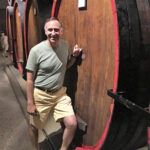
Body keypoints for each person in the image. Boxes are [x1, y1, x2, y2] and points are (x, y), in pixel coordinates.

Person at [26, 17, 82, 150]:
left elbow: (65, 66)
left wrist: (74, 56)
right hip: (41, 95)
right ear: (45, 31)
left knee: (72, 124)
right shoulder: (36, 51)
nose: (53, 33)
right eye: (50, 30)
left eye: (56, 30)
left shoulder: (65, 45)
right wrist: (30, 102)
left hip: (59, 94)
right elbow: (29, 79)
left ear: (61, 31)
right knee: (34, 127)